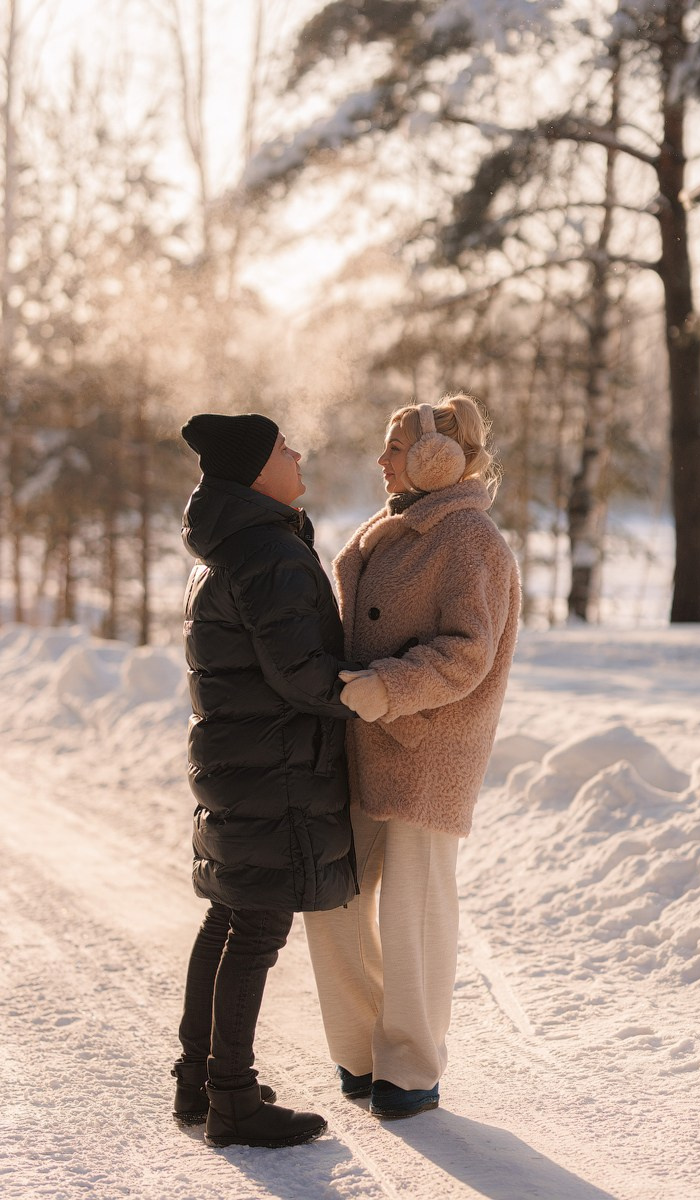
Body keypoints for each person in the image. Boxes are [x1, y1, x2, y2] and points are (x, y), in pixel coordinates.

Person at [304, 393, 520, 1119]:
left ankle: (411, 1067)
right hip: (361, 741)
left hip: (428, 749)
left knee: (414, 913)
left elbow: (469, 653)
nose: (382, 460)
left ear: (439, 458)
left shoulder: (470, 541)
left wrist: (388, 689)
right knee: (333, 899)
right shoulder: (393, 526)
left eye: (395, 448)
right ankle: (364, 1051)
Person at [173, 412, 358, 1149]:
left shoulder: (223, 547)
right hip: (276, 766)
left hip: (238, 765)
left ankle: (200, 1082)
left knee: (227, 914)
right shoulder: (270, 553)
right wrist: (378, 681)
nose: (299, 453)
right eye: (284, 448)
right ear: (256, 472)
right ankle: (233, 1102)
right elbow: (303, 675)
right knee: (253, 929)